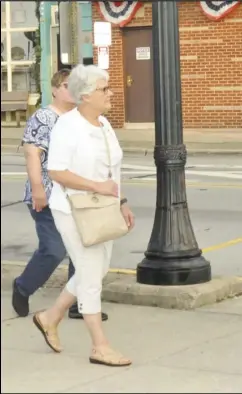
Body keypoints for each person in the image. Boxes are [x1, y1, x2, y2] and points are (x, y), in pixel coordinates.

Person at [32, 64, 134, 366]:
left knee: (98, 270)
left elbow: (112, 170)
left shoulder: (103, 124)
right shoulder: (67, 125)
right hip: (74, 209)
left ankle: (50, 317)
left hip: (103, 208)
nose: (111, 92)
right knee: (89, 275)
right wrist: (96, 186)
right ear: (86, 95)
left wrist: (121, 201)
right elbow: (56, 170)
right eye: (105, 88)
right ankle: (99, 346)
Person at [12, 69, 108, 322]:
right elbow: (33, 154)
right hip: (48, 194)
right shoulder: (44, 117)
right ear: (54, 89)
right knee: (54, 250)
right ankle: (23, 286)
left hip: (77, 195)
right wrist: (37, 189)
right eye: (66, 85)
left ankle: (80, 304)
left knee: (84, 248)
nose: (71, 90)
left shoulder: (80, 117)